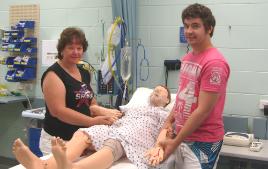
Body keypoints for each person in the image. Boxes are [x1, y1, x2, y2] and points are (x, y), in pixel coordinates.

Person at [146, 3, 230, 169]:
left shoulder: (215, 63)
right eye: (186, 26)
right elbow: (182, 99)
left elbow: (202, 111)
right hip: (181, 135)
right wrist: (168, 123)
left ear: (209, 29)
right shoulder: (187, 58)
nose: (189, 31)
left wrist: (174, 143)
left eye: (195, 26)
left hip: (203, 141)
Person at [13, 85, 171, 169]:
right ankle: (43, 166)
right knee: (87, 133)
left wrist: (160, 147)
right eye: (154, 89)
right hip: (116, 128)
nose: (156, 91)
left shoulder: (165, 114)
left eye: (161, 92)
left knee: (115, 141)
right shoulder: (133, 107)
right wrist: (105, 114)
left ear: (168, 100)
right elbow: (114, 114)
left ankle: (74, 168)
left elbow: (166, 133)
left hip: (134, 136)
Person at [40, 27, 122, 155]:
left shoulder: (84, 72)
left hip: (79, 139)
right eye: (70, 48)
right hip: (58, 140)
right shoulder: (53, 75)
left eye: (79, 48)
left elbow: (90, 102)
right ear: (61, 50)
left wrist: (102, 111)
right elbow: (58, 111)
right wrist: (91, 121)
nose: (76, 52)